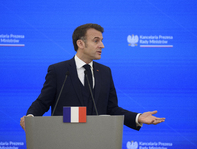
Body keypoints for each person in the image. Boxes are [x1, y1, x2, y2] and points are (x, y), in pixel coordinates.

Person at [20, 23, 165, 131]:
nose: (102, 45)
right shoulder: (59, 70)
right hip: (63, 138)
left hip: (98, 139)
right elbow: (43, 102)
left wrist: (138, 117)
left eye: (101, 40)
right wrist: (30, 118)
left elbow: (112, 108)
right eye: (96, 40)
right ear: (80, 43)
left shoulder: (105, 72)